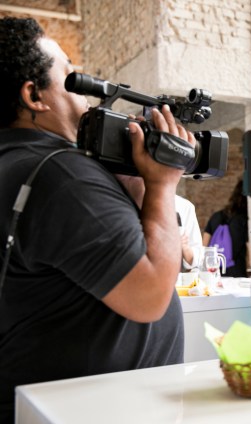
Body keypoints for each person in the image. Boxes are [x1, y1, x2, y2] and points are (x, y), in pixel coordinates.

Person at [0, 18, 193, 421]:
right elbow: (148, 297)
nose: (87, 96)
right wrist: (162, 185)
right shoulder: (61, 174)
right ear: (34, 95)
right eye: (70, 76)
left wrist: (137, 188)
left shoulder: (18, 163)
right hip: (92, 411)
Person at [203, 179, 248, 277]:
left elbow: (204, 248)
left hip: (214, 275)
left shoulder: (215, 216)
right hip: (237, 275)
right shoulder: (244, 220)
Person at [176, 194, 203, 272]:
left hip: (174, 277)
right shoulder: (140, 201)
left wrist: (185, 247)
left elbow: (196, 260)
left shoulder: (185, 206)